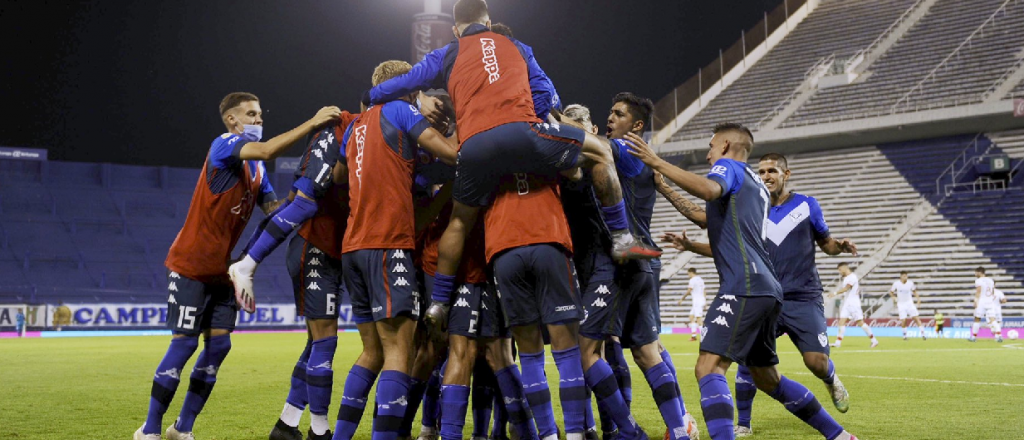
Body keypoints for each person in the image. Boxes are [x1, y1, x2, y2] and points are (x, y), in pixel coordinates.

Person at [363, 0, 660, 341]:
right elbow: (546, 96)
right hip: (522, 135)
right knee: (603, 151)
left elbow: (401, 83)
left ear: (455, 29)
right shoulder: (517, 47)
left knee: (460, 220)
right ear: (488, 22)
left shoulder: (447, 52)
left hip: (473, 145)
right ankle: (622, 238)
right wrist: (539, 121)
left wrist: (376, 95)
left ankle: (440, 303)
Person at [627, 122, 858, 440]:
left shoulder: (728, 167)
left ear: (724, 146)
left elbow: (709, 190)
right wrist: (665, 187)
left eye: (710, 147)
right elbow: (706, 216)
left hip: (743, 286)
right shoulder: (756, 186)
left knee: (708, 368)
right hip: (768, 291)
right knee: (767, 379)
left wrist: (656, 161)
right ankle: (840, 435)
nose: (708, 155)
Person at [133, 92, 342, 440]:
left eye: (260, 115)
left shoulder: (257, 171)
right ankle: (150, 430)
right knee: (184, 345)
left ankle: (182, 429)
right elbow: (267, 150)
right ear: (232, 120)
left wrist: (307, 195)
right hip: (190, 266)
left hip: (221, 271)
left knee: (219, 347)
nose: (259, 120)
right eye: (251, 114)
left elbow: (274, 210)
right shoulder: (224, 145)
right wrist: (313, 122)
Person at [333, 60, 459, 440]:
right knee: (398, 351)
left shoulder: (356, 124)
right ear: (407, 86)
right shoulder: (400, 110)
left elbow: (339, 177)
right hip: (388, 243)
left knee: (371, 351)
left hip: (353, 246)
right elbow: (453, 155)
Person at [563, 95, 697, 440]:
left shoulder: (620, 149)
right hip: (645, 262)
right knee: (648, 351)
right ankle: (680, 428)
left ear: (636, 126)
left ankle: (627, 431)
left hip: (617, 260)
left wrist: (551, 115)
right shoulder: (646, 163)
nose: (611, 118)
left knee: (588, 352)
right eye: (609, 111)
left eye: (618, 114)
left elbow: (592, 149)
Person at [267, 110, 360, 440]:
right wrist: (249, 259)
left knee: (315, 344)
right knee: (325, 343)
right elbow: (310, 191)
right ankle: (319, 430)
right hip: (314, 246)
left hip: (330, 250)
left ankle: (287, 423)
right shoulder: (344, 134)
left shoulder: (353, 137)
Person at [829, 263, 878, 348]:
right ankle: (838, 343)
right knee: (841, 322)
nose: (839, 272)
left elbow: (846, 288)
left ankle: (874, 340)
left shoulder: (852, 277)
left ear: (844, 268)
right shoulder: (846, 278)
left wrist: (835, 293)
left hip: (853, 304)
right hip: (847, 303)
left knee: (860, 322)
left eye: (840, 270)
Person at [887, 271, 927, 341]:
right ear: (901, 276)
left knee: (916, 318)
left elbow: (914, 291)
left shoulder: (910, 283)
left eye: (906, 276)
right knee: (903, 320)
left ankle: (923, 334)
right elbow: (891, 292)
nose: (905, 277)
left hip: (909, 303)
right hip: (901, 304)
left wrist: (918, 299)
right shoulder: (896, 284)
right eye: (904, 276)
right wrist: (893, 297)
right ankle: (905, 336)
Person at [969, 267, 998, 343]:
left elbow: (978, 291)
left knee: (977, 318)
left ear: (980, 272)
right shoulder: (991, 280)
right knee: (992, 319)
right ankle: (998, 335)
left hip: (982, 302)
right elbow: (992, 292)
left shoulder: (978, 280)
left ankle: (974, 337)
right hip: (990, 301)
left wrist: (975, 301)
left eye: (976, 272)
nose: (975, 274)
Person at [680, 268, 706, 342]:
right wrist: (705, 301)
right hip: (700, 300)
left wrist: (682, 298)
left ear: (691, 273)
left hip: (697, 301)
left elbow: (689, 290)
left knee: (698, 319)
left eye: (688, 274)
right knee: (691, 317)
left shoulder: (692, 280)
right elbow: (704, 290)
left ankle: (703, 337)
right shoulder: (700, 279)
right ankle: (694, 335)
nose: (688, 275)